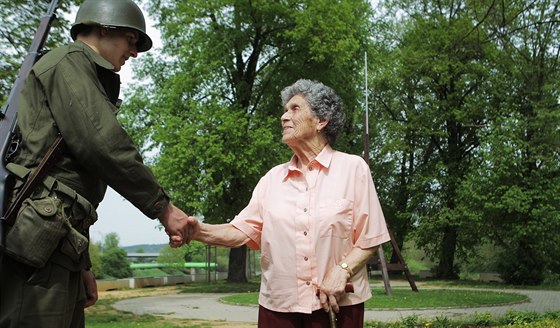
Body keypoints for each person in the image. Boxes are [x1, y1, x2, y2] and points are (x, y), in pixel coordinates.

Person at [0, 0, 195, 327]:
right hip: (36, 250)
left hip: (58, 247)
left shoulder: (80, 71)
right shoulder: (68, 61)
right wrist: (163, 208)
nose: (134, 52)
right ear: (105, 27)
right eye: (131, 40)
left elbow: (71, 184)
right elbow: (103, 142)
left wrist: (83, 265)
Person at [187, 79, 391, 327]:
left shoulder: (353, 169)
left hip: (337, 305)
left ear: (321, 120)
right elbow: (241, 231)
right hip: (279, 308)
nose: (284, 117)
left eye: (294, 109)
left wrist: (342, 270)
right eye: (285, 110)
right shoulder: (272, 179)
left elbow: (371, 237)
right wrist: (198, 231)